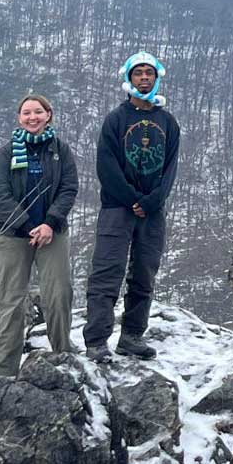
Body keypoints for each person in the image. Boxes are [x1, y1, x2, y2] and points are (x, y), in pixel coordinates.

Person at [83, 52, 180, 363]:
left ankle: (132, 336)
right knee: (107, 273)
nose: (144, 78)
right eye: (138, 73)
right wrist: (132, 199)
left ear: (157, 78)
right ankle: (97, 339)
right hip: (117, 209)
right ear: (128, 78)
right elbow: (106, 166)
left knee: (144, 274)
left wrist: (152, 201)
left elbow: (170, 168)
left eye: (149, 73)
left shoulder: (167, 121)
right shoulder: (116, 119)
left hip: (153, 212)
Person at [0, 94, 78, 377]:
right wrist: (29, 226)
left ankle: (63, 356)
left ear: (48, 115)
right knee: (12, 301)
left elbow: (68, 188)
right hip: (14, 234)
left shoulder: (60, 151)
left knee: (59, 294)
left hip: (53, 232)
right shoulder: (5, 154)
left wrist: (50, 223)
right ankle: (2, 371)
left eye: (38, 112)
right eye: (26, 113)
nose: (32, 117)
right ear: (19, 118)